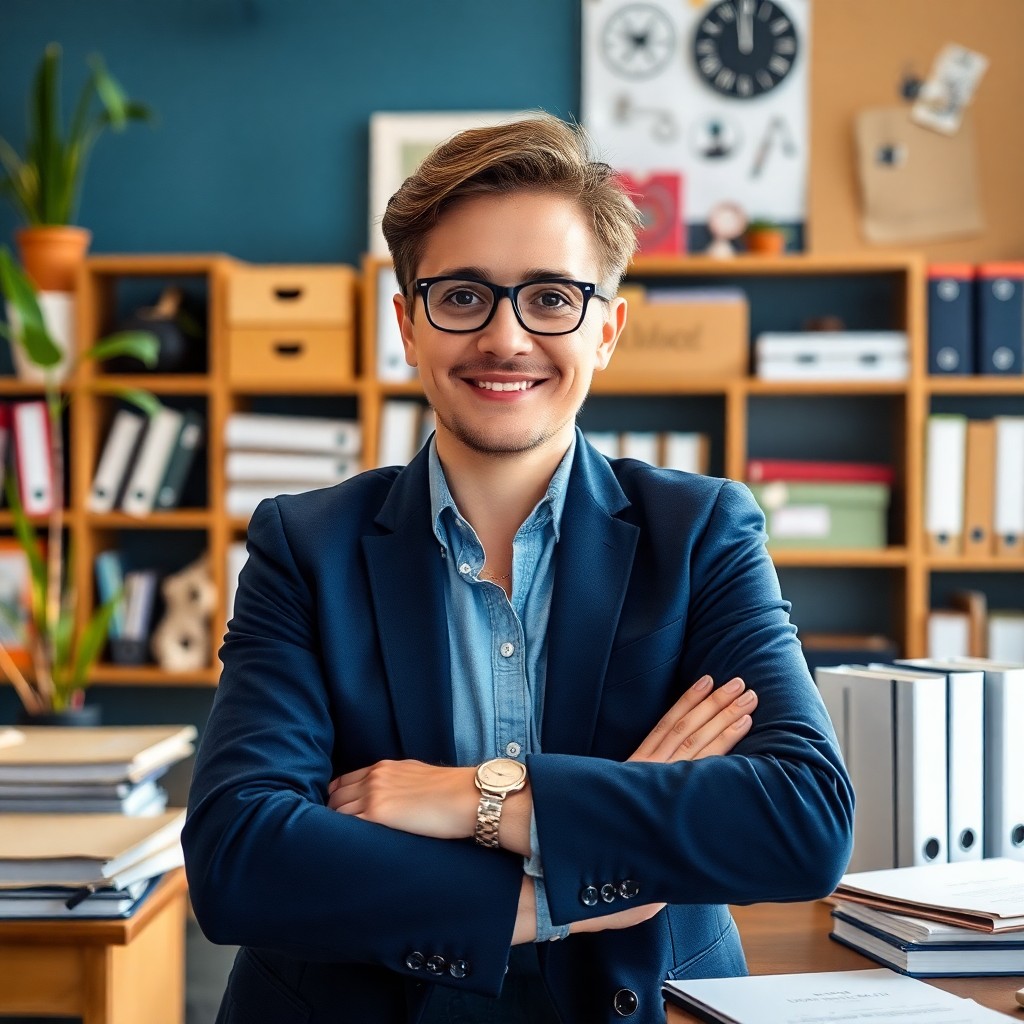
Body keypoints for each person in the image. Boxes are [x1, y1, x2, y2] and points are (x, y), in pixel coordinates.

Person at [183, 113, 854, 1024]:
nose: (506, 338)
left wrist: (476, 799)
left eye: (550, 298)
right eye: (462, 296)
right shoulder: (305, 546)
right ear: (408, 325)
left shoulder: (700, 533)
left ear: (607, 329)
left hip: (645, 999)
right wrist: (555, 894)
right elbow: (240, 856)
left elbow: (801, 821)